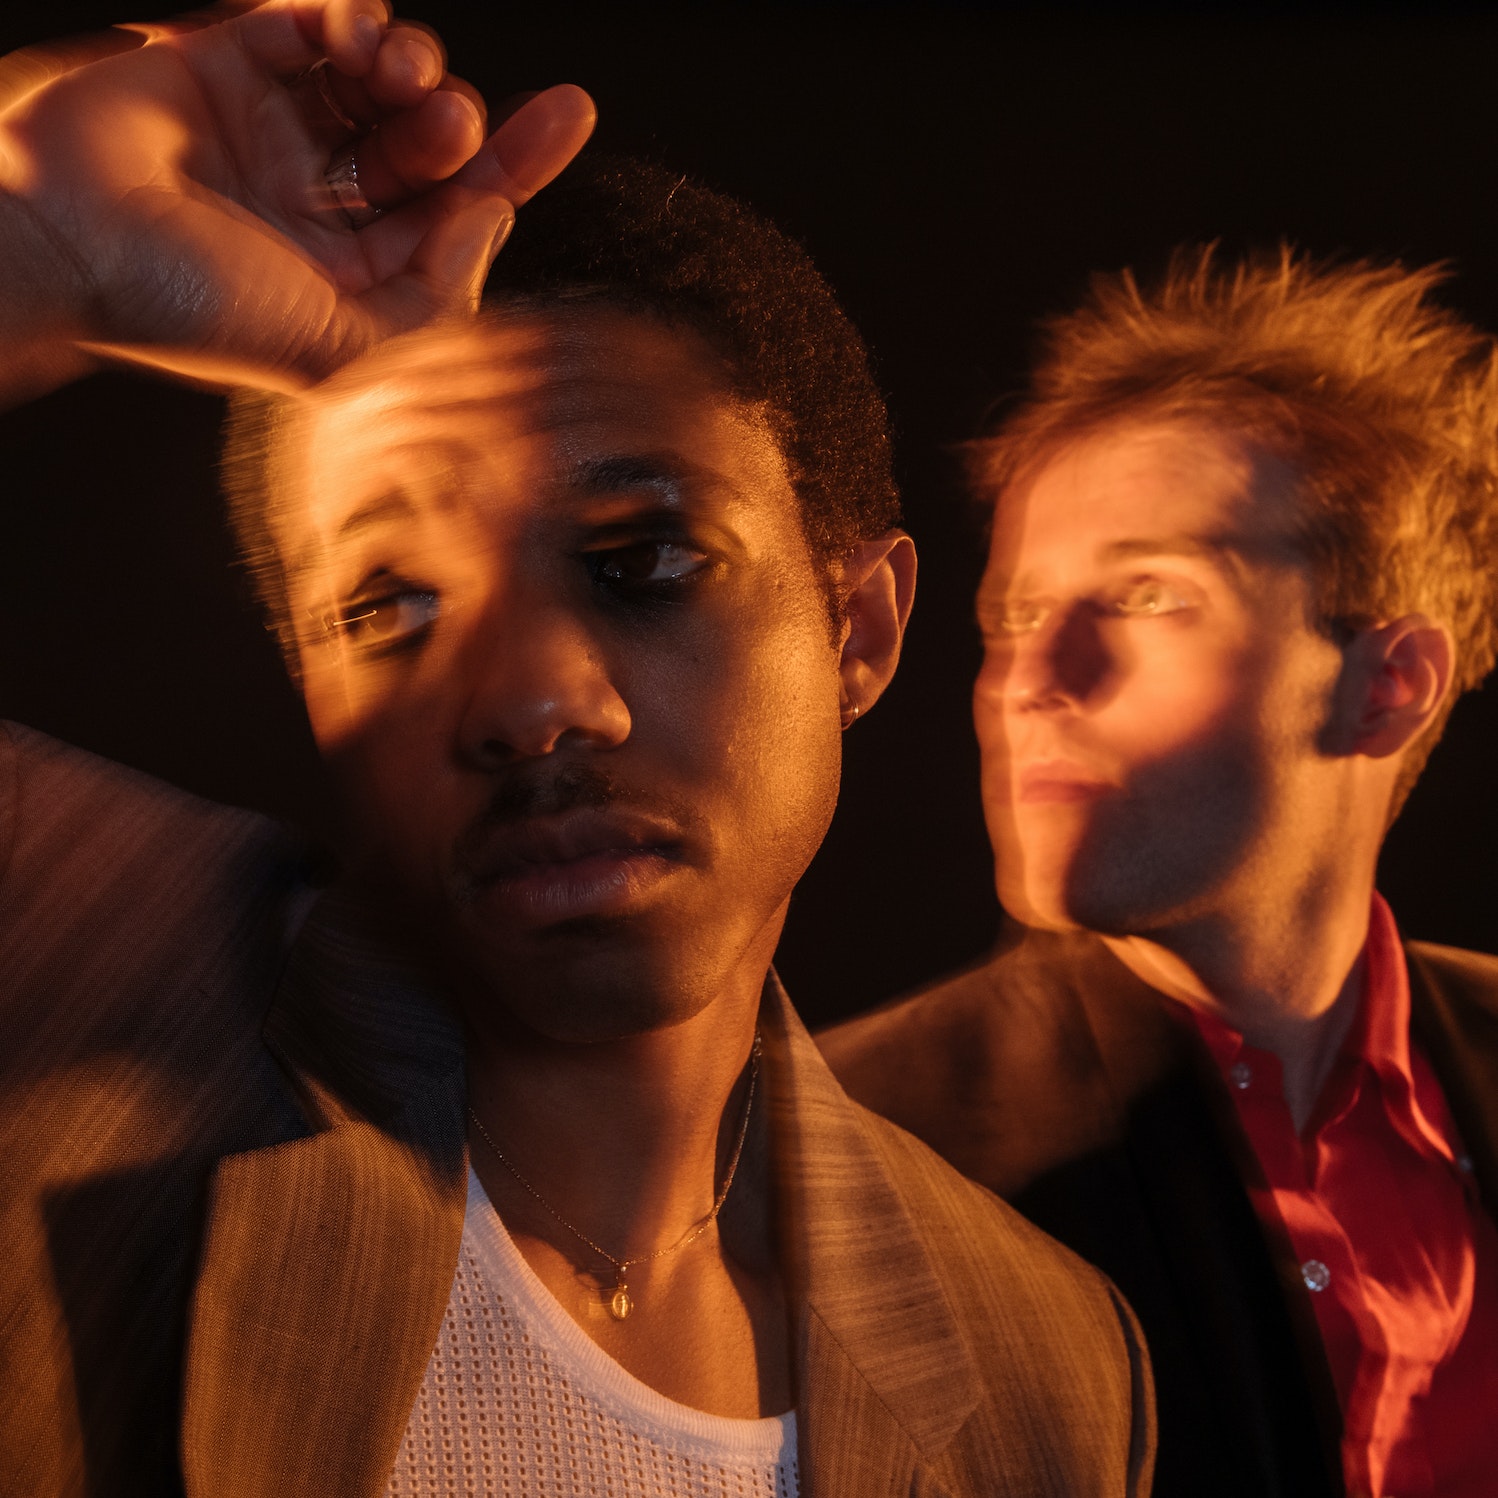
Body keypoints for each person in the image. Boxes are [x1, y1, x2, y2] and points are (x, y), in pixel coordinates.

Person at [0, 5, 1154, 1494]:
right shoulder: (74, 1005)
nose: (531, 699)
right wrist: (33, 247)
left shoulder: (1050, 1364)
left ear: (859, 628)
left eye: (642, 561)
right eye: (387, 606)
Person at [820, 249, 1498, 1498]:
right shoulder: (840, 1154)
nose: (1032, 680)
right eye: (1013, 616)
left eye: (1145, 595)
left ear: (1389, 685)